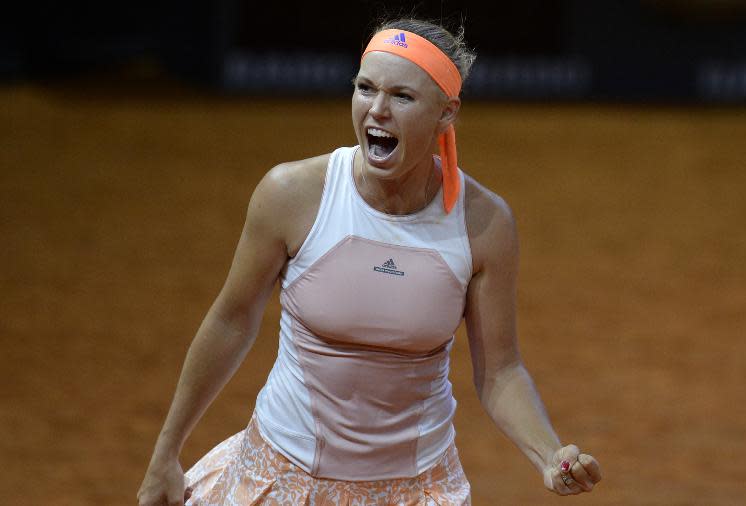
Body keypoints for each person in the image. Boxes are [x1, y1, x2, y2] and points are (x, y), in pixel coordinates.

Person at [137, 17, 603, 506]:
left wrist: (549, 454)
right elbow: (231, 322)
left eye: (402, 97)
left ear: (447, 113)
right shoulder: (292, 194)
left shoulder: (484, 224)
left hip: (416, 490)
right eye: (365, 88)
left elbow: (501, 371)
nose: (377, 110)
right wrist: (165, 453)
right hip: (284, 478)